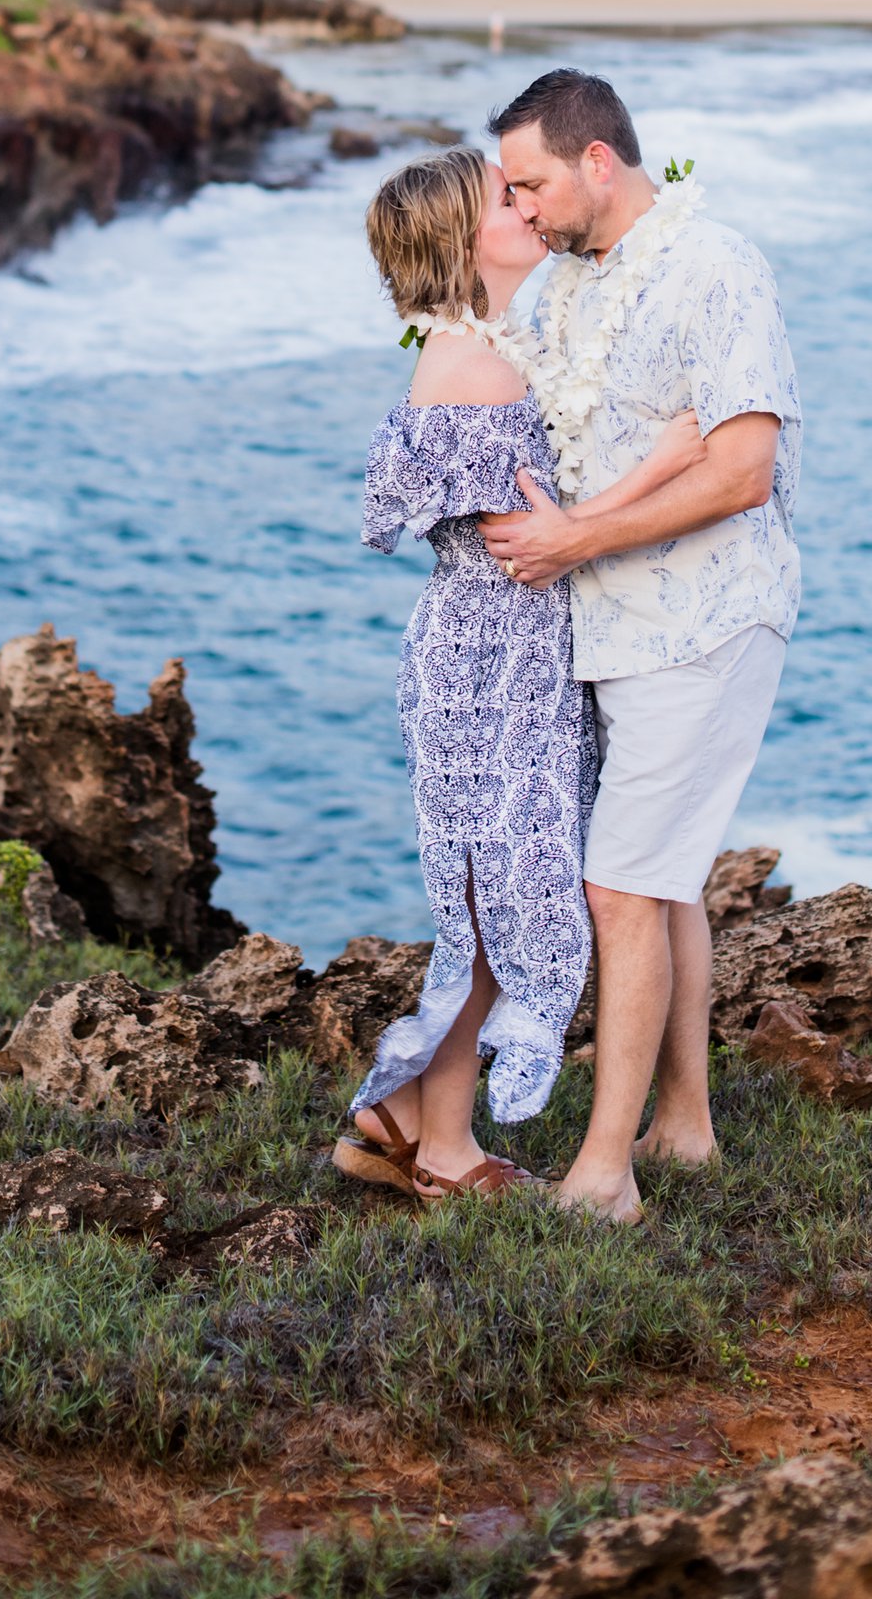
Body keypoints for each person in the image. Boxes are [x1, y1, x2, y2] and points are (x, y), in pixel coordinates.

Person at [481, 67, 801, 1228]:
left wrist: (578, 536)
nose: (520, 210)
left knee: (617, 883)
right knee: (660, 882)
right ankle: (687, 1125)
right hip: (608, 625)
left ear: (597, 162)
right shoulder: (566, 287)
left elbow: (744, 466)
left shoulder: (715, 268)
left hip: (707, 618)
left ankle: (604, 1172)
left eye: (531, 186)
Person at [334, 144, 590, 1203]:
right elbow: (524, 530)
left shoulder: (491, 341)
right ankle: (438, 1146)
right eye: (507, 197)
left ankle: (395, 1118)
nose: (529, 204)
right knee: (488, 907)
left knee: (491, 902)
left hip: (503, 651)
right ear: (460, 238)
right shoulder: (475, 364)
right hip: (492, 660)